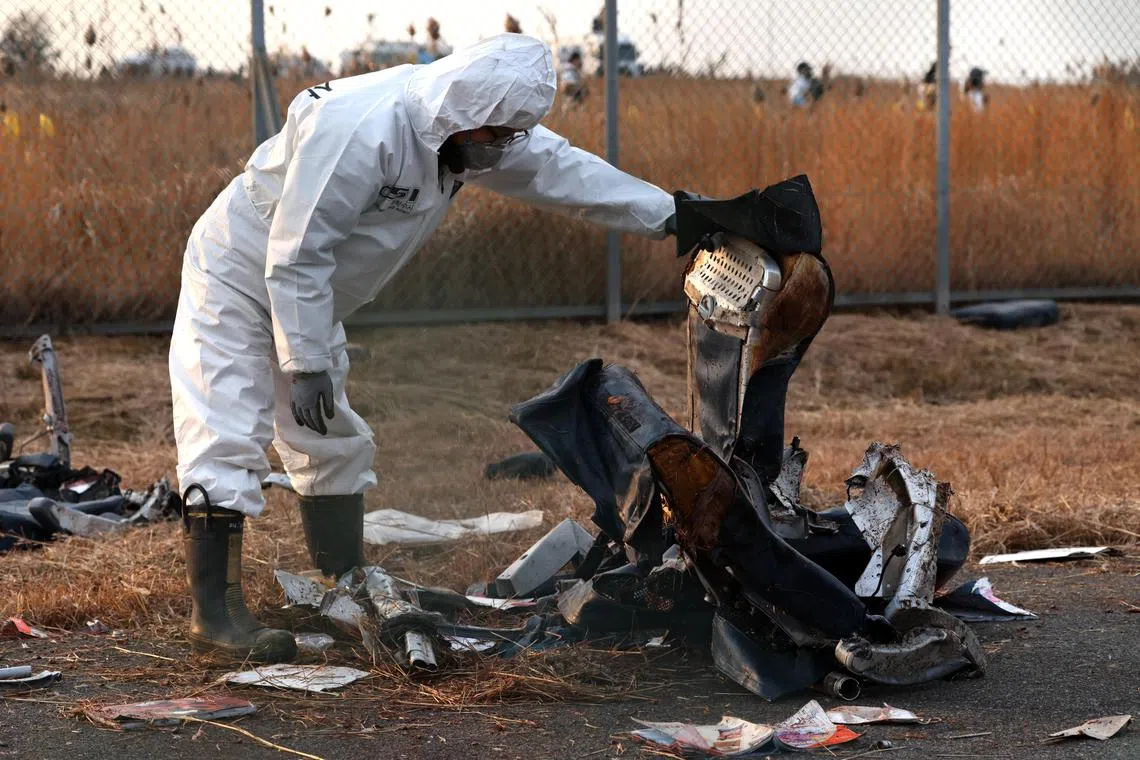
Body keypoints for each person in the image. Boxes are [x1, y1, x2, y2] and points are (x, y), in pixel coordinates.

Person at [169, 33, 679, 663]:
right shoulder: (359, 129)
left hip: (309, 295)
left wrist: (673, 214)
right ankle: (215, 616)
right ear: (463, 111)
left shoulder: (471, 132)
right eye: (496, 135)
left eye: (512, 136)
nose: (504, 147)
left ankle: (347, 579)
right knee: (226, 428)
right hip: (240, 276)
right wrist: (305, 363)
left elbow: (563, 170)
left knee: (330, 434)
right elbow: (297, 251)